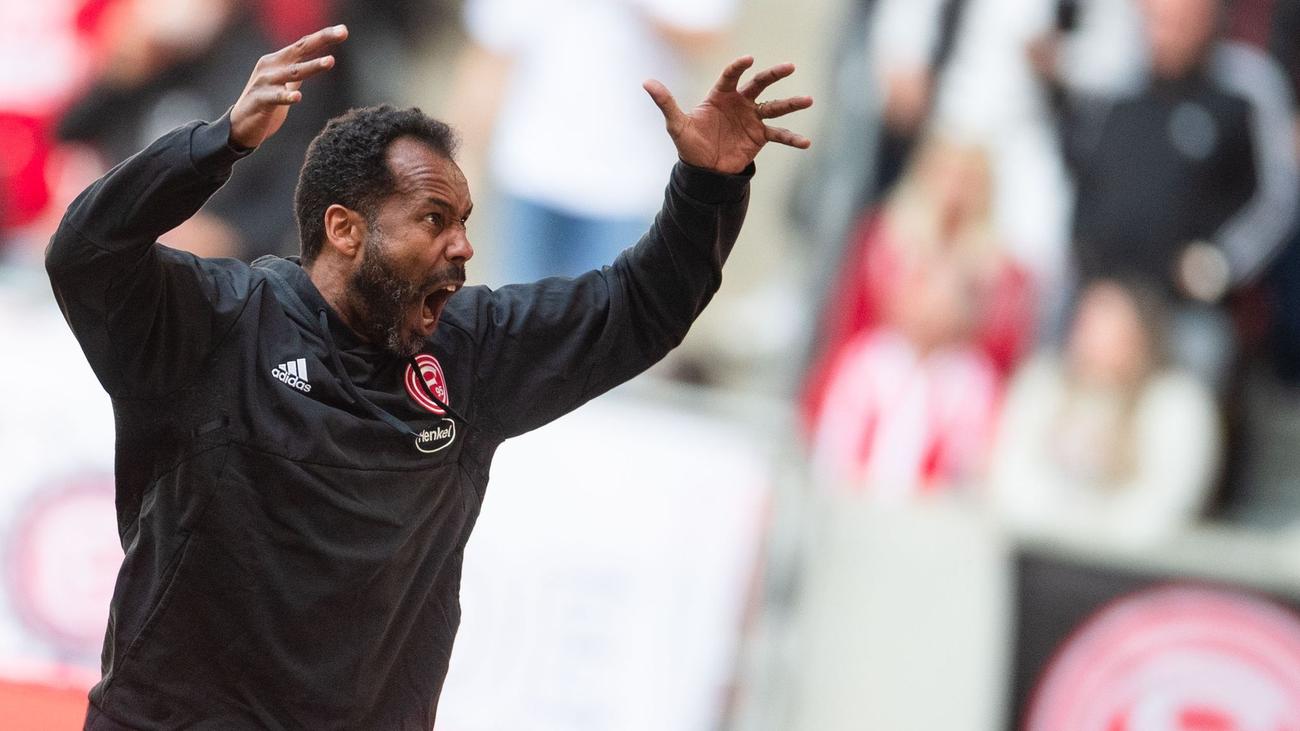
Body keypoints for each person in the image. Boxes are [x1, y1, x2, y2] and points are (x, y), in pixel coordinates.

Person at [44, 24, 812, 728]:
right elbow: (86, 251)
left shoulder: (469, 353)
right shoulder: (216, 323)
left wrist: (708, 186)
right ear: (345, 230)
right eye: (435, 219)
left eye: (466, 221)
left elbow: (639, 307)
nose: (464, 247)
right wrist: (219, 143)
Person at [989, 279, 1221, 547]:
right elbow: (1009, 475)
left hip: (1129, 560)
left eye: (1113, 331)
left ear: (1141, 338)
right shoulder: (1044, 384)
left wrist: (1096, 526)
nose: (1094, 341)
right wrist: (1063, 519)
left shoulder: (1174, 404)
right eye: (1088, 326)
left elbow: (1165, 503)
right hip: (1040, 547)